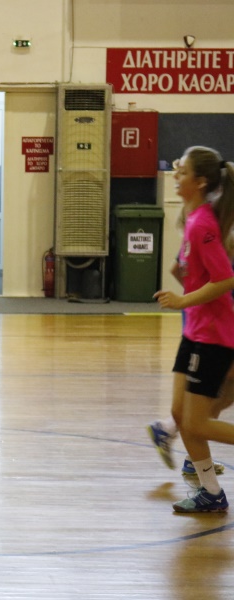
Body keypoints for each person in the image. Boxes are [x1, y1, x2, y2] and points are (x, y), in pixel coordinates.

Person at [152, 146, 234, 513]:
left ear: (199, 182)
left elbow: (225, 279)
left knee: (197, 423)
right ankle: (210, 492)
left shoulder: (203, 225)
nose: (175, 175)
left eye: (182, 172)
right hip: (195, 333)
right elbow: (186, 270)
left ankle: (211, 492)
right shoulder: (192, 218)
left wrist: (183, 300)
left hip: (213, 336)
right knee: (180, 415)